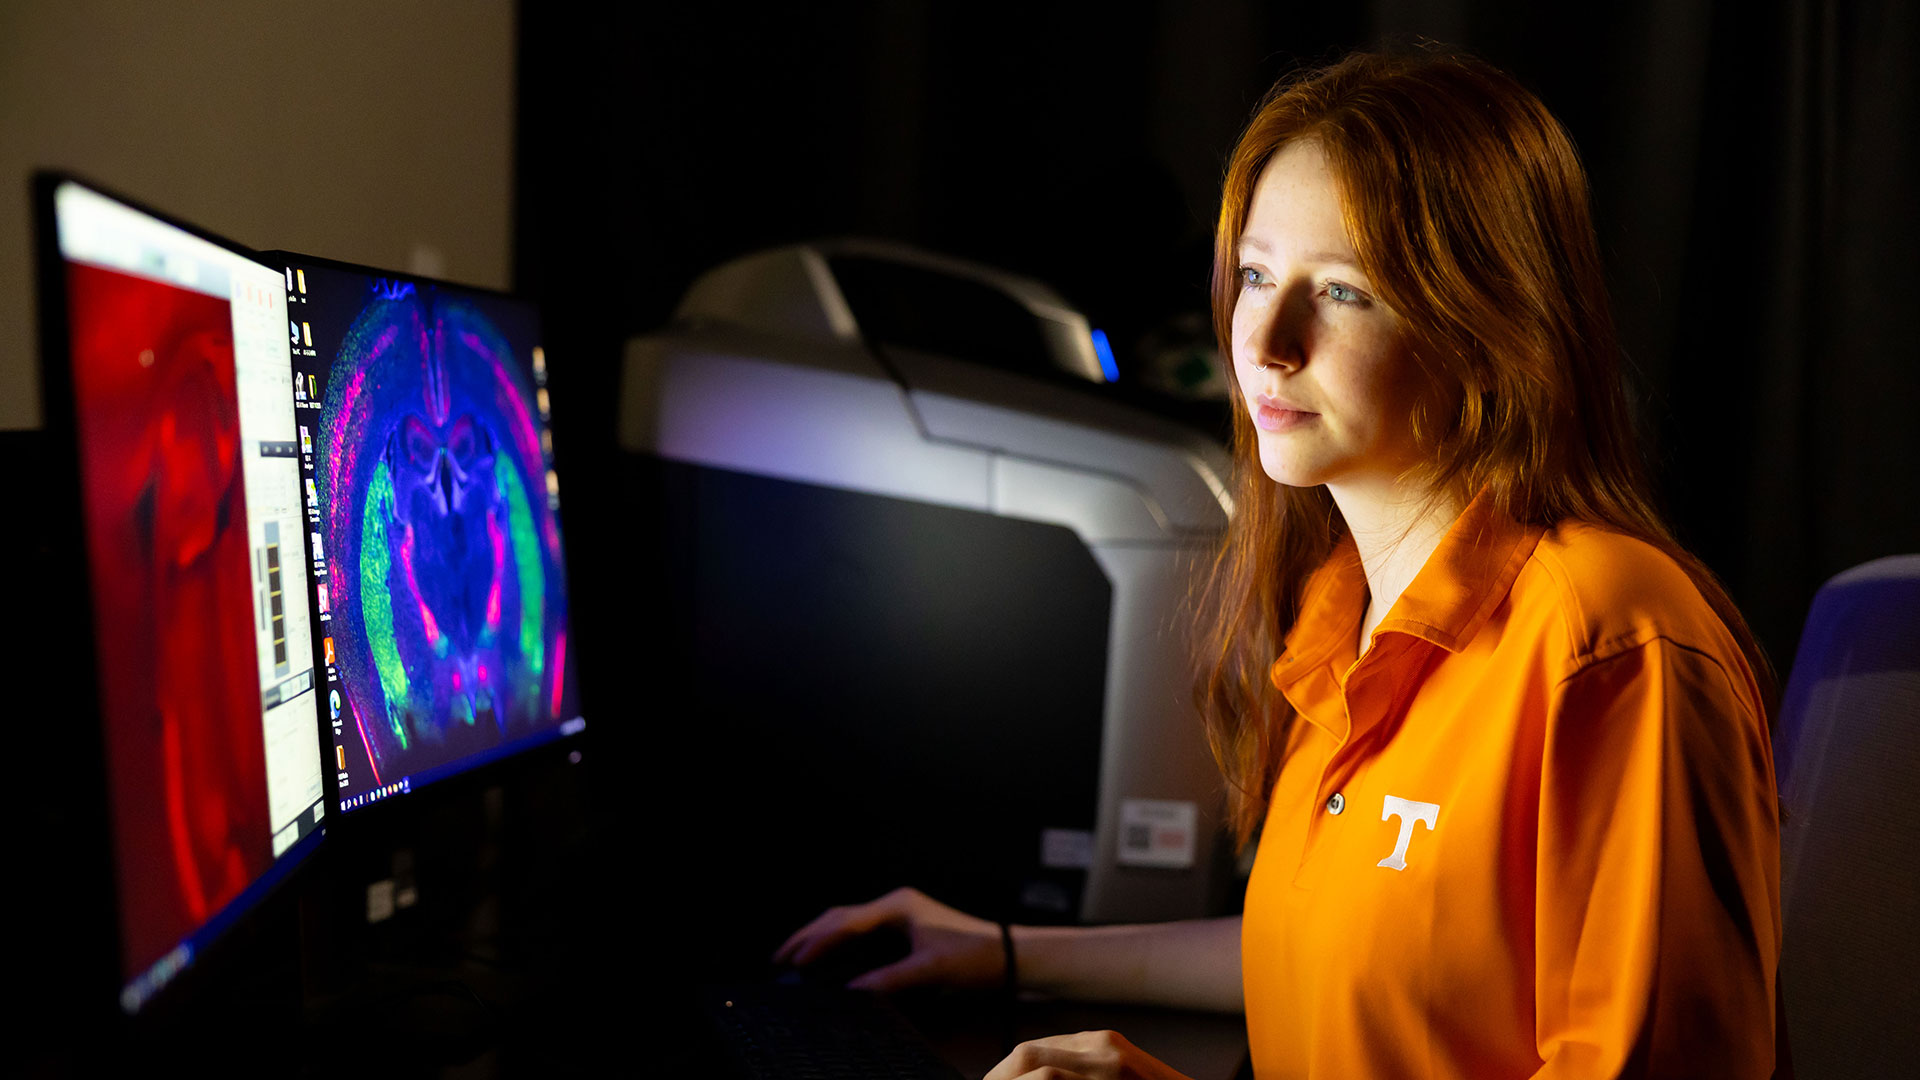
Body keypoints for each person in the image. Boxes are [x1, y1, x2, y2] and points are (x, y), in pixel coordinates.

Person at [776, 48, 1782, 1080]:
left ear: (1488, 325)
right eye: (1257, 274)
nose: (1265, 339)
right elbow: (1342, 951)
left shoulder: (1610, 636)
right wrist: (1001, 953)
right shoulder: (1344, 615)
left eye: (1343, 291)